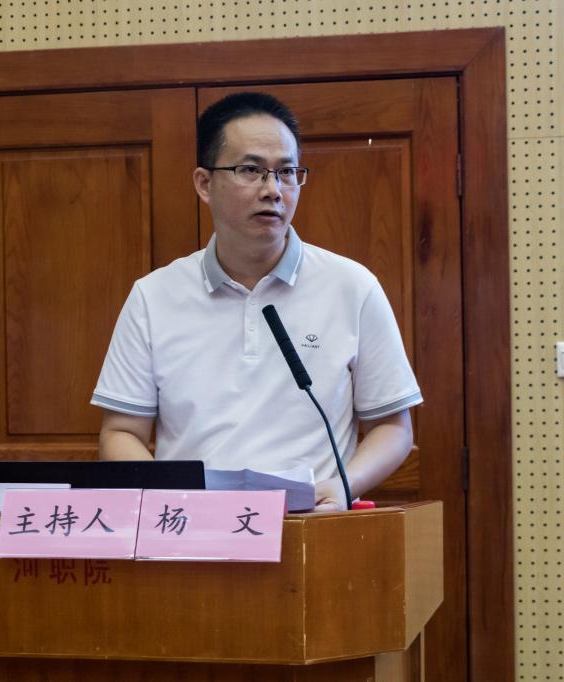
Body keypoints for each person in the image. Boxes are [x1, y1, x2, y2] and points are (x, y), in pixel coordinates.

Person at [90, 92, 422, 511]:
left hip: (311, 526)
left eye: (287, 172)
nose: (273, 190)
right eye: (251, 170)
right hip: (194, 530)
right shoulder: (153, 297)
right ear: (204, 184)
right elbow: (121, 432)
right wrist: (175, 501)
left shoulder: (353, 287)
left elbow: (393, 427)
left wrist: (342, 486)